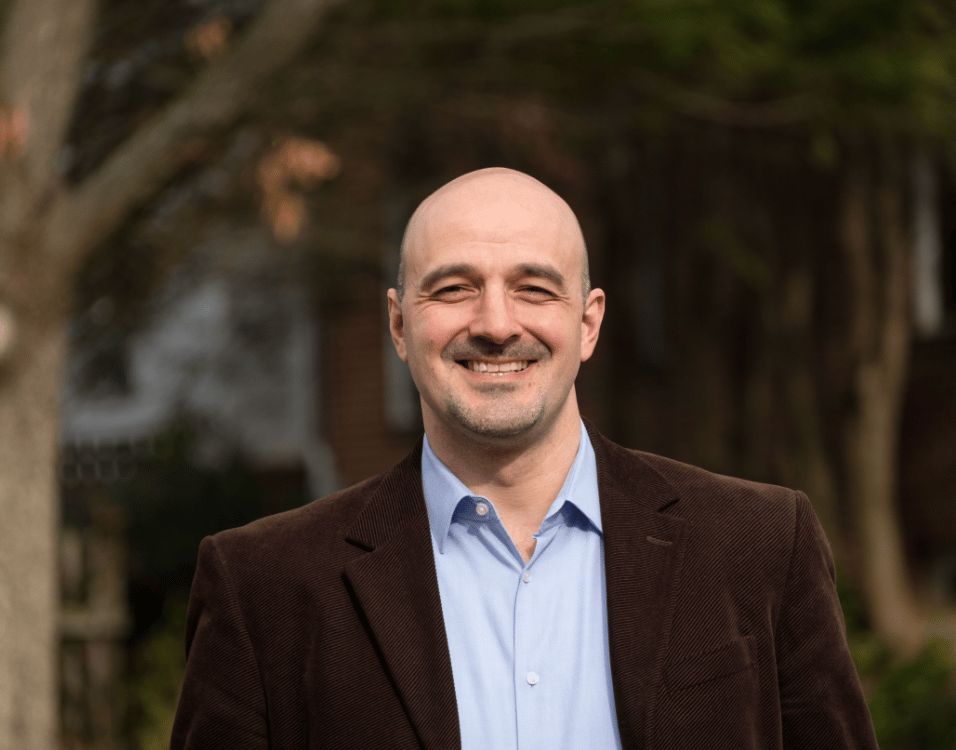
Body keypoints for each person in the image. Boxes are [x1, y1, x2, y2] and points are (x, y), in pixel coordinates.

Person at [171, 168, 878, 749]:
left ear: (588, 321)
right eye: (454, 289)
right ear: (398, 325)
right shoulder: (264, 586)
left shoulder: (758, 543)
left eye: (534, 288)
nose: (497, 324)